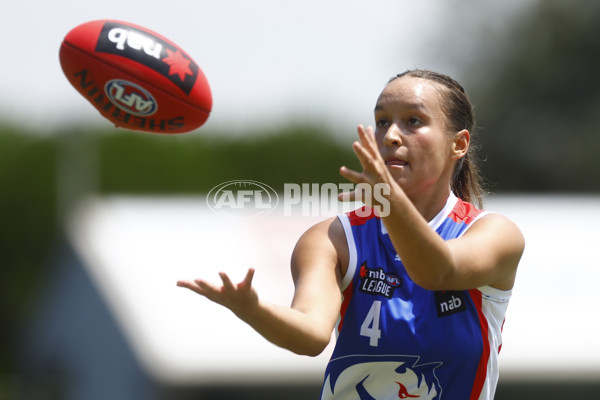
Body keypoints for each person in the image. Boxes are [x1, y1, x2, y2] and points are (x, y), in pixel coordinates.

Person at [177, 69, 525, 400]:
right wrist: (253, 309)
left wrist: (390, 202)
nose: (390, 135)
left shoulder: (493, 233)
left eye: (413, 121)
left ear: (458, 144)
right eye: (382, 121)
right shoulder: (335, 237)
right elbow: (311, 335)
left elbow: (438, 271)